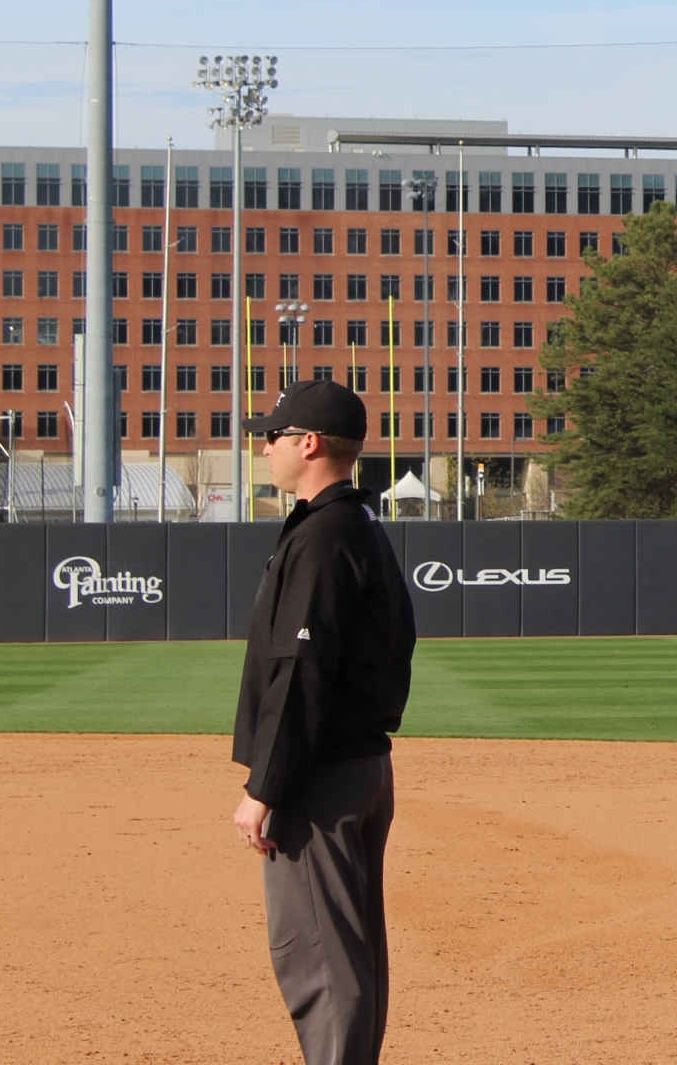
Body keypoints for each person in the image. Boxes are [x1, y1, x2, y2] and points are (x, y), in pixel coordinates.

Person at [230, 379, 416, 1065]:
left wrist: (266, 787)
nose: (266, 448)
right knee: (352, 952)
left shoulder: (323, 535)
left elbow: (302, 671)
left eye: (272, 436)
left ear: (308, 444)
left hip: (322, 780)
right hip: (361, 766)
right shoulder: (362, 526)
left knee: (319, 961)